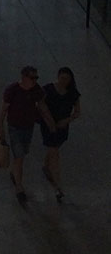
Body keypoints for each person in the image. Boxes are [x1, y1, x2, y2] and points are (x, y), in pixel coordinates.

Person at [0, 66, 55, 205]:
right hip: (14, 127)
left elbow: (42, 107)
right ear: (24, 77)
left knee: (22, 154)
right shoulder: (12, 90)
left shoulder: (36, 90)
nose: (34, 80)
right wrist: (0, 126)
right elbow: (4, 108)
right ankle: (19, 187)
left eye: (36, 78)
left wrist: (51, 123)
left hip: (28, 127)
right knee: (19, 156)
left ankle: (14, 173)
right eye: (32, 78)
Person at [39, 66, 80, 202]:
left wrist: (67, 120)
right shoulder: (49, 89)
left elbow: (77, 112)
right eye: (62, 78)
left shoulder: (72, 93)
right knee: (54, 152)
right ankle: (58, 187)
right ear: (58, 77)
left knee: (53, 149)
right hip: (49, 126)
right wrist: (49, 120)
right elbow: (41, 104)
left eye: (67, 79)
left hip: (62, 127)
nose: (64, 81)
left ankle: (46, 166)